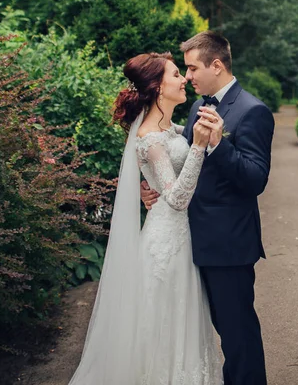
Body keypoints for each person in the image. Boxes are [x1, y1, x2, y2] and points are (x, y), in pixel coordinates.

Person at [68, 52, 223, 385]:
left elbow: (171, 164)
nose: (184, 79)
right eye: (176, 74)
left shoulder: (169, 130)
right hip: (167, 243)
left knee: (180, 319)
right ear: (157, 87)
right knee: (164, 321)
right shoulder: (150, 139)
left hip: (182, 240)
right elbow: (178, 198)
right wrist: (197, 146)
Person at [142, 31, 275, 385]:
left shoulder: (253, 111)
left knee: (237, 336)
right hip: (191, 241)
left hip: (227, 245)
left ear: (216, 65)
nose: (187, 76)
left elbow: (255, 180)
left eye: (191, 68)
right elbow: (183, 163)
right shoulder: (198, 107)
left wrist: (220, 145)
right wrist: (152, 189)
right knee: (206, 331)